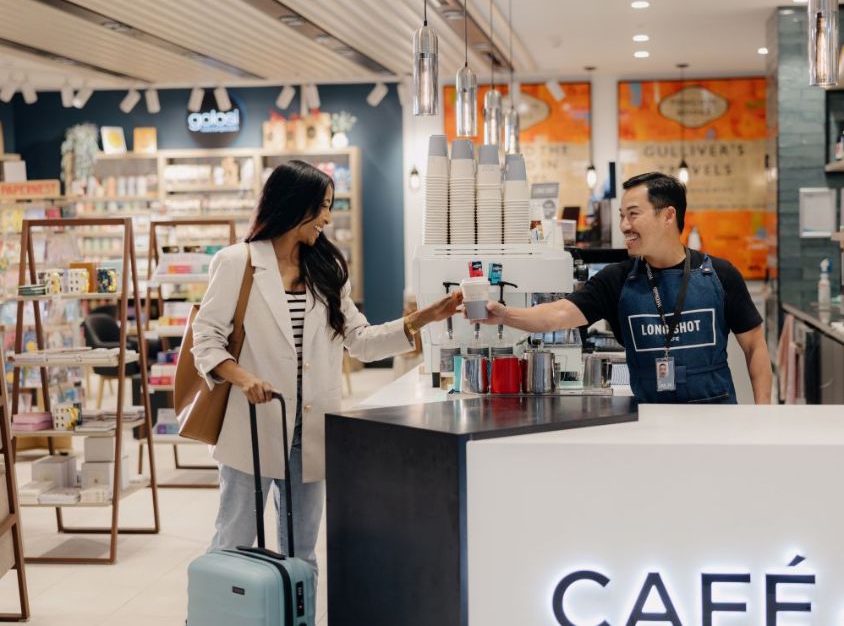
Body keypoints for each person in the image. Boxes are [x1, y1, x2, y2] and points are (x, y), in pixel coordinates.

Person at [191, 160, 462, 571]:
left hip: (311, 428)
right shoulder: (236, 263)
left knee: (302, 552)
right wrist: (243, 378)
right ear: (293, 204)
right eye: (322, 206)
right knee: (234, 542)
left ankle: (295, 606)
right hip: (254, 424)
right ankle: (223, 605)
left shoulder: (327, 270)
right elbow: (206, 339)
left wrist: (423, 318)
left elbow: (361, 341)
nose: (328, 218)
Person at [474, 172, 772, 404]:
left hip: (716, 421)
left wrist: (763, 414)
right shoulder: (616, 279)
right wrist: (505, 315)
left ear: (668, 216)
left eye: (633, 214)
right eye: (621, 216)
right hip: (649, 421)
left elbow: (755, 346)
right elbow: (559, 314)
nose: (624, 225)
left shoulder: (720, 275)